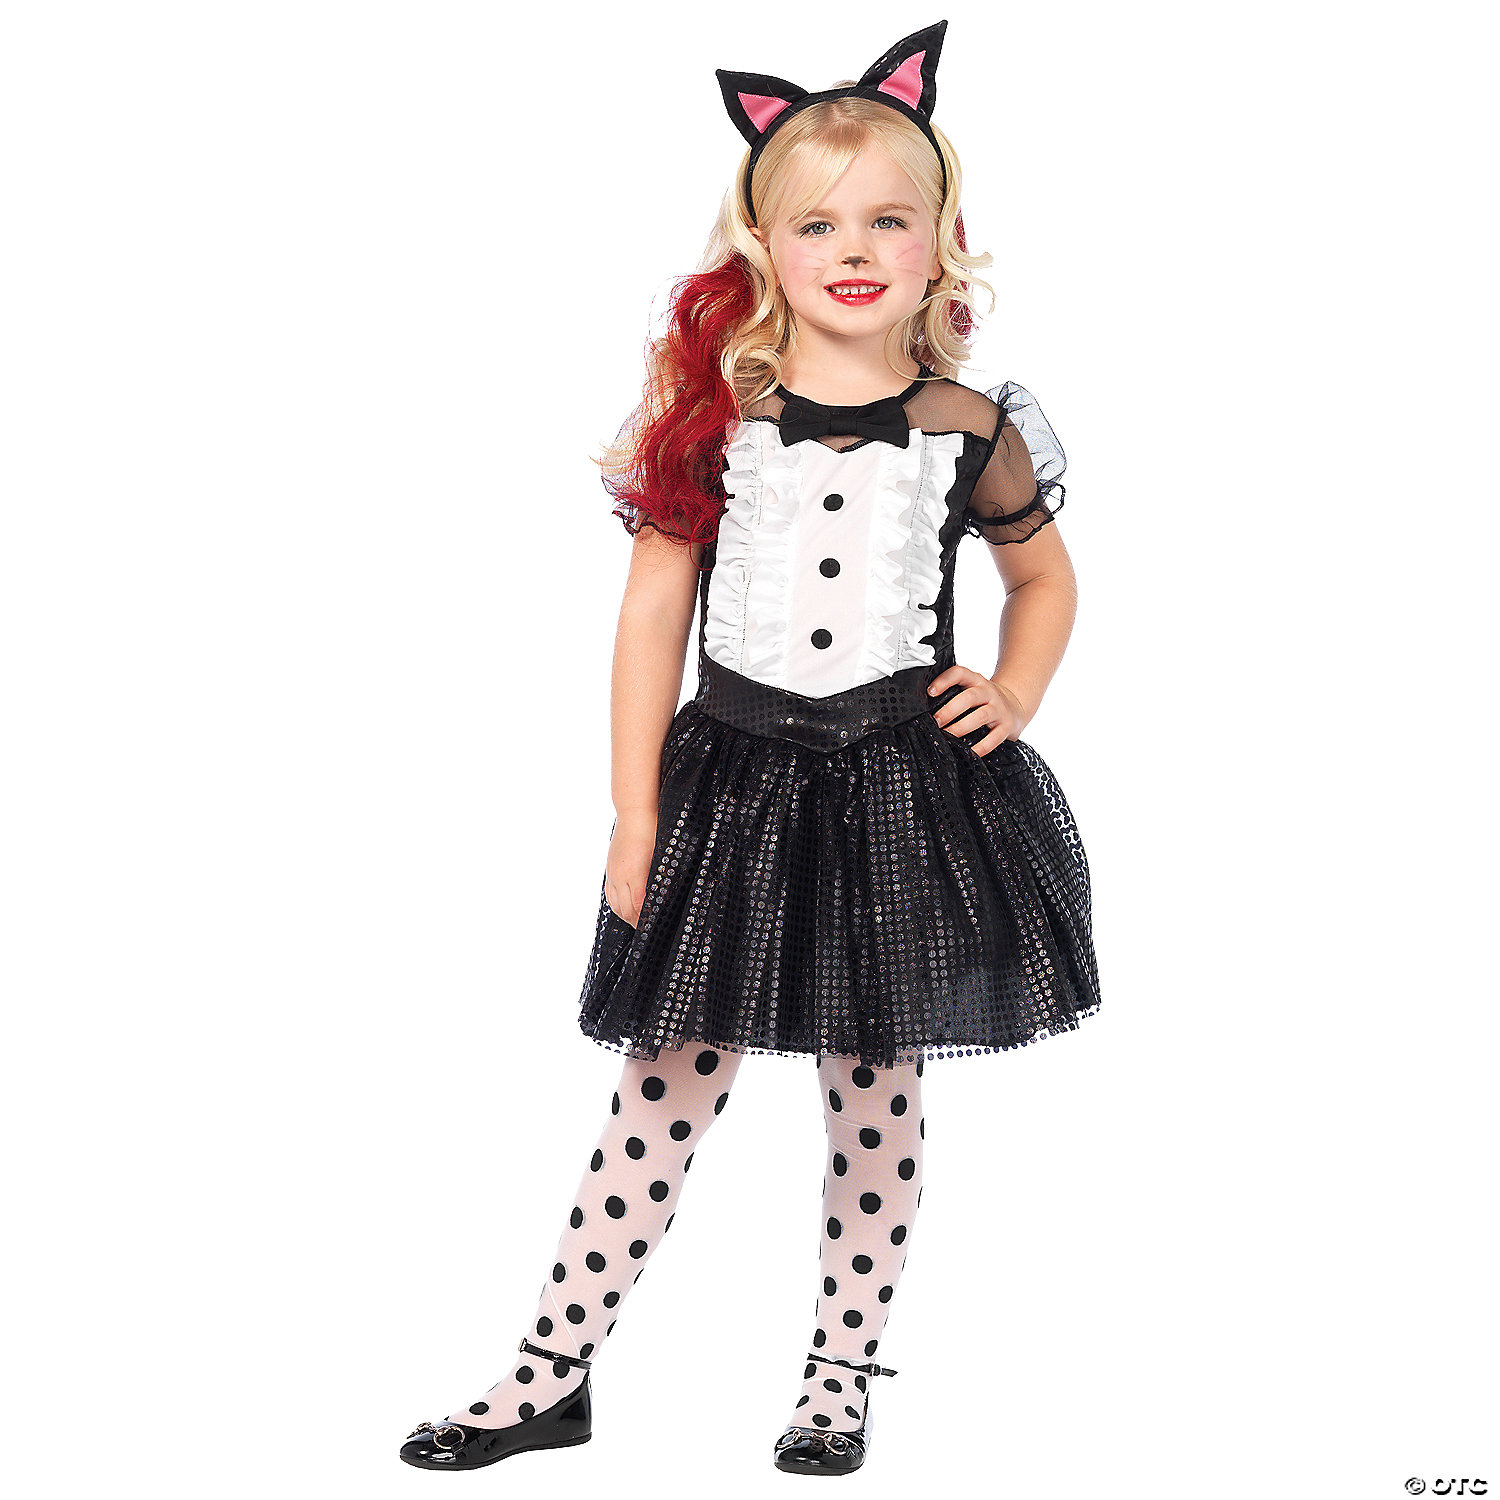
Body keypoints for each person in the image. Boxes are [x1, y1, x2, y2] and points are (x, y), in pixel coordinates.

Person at [400, 17, 1100, 1477]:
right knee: (663, 1080)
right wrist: (634, 815)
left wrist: (1016, 692)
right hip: (734, 786)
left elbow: (1044, 577)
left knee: (876, 1083)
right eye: (818, 223)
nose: (856, 249)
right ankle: (551, 1369)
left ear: (941, 239)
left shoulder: (970, 425)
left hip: (902, 792)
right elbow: (653, 613)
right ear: (764, 245)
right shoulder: (721, 416)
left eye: (889, 219)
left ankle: (840, 1376)